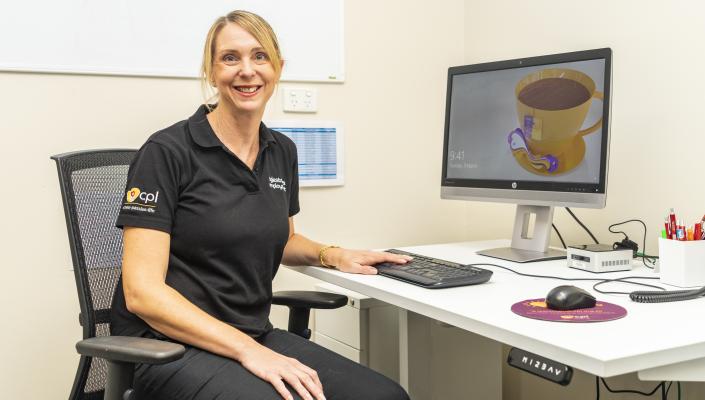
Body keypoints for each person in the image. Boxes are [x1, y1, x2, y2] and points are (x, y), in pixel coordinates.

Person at [110, 9, 412, 400]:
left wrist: (332, 254)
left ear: (278, 68)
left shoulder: (280, 150)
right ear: (211, 70)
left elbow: (280, 241)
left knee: (385, 397)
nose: (246, 70)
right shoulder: (166, 152)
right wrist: (249, 352)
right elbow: (142, 294)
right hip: (166, 347)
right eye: (230, 58)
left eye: (259, 56)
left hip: (251, 333)